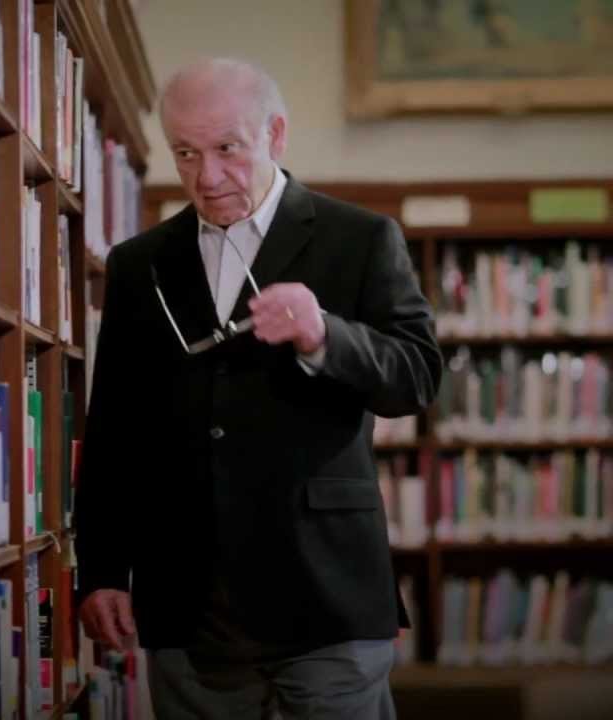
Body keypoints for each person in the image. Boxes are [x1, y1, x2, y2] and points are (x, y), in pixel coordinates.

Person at [73, 58, 442, 720]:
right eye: (185, 153)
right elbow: (113, 430)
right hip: (189, 596)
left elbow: (416, 378)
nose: (206, 177)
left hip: (325, 586)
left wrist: (324, 335)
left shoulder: (358, 239)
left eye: (226, 149)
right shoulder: (139, 265)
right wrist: (101, 569)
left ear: (275, 134)